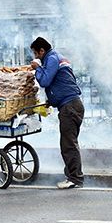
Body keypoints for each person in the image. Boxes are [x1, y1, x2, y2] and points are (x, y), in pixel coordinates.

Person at [30, 37, 84, 189]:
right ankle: (73, 176)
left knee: (68, 145)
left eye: (36, 54)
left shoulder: (52, 58)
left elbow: (45, 81)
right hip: (73, 105)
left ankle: (74, 178)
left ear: (42, 50)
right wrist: (51, 100)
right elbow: (60, 82)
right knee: (69, 143)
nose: (35, 57)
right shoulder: (58, 58)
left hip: (69, 107)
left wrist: (37, 68)